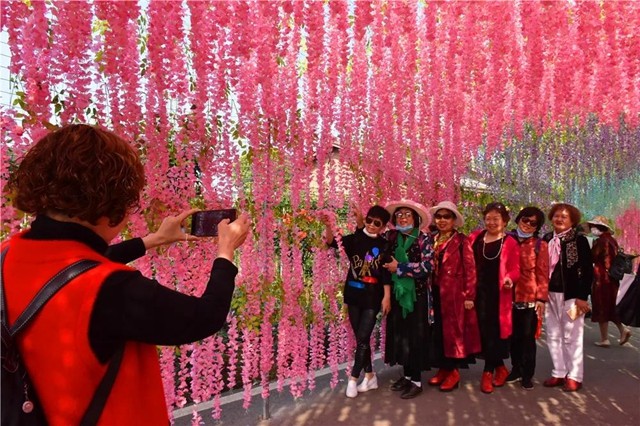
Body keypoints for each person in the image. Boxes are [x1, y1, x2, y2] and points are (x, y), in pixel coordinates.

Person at [1, 124, 250, 425]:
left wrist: (154, 240)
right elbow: (204, 316)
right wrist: (226, 252)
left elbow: (69, 269)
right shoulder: (113, 290)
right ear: (113, 206)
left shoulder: (8, 253)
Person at [322, 205, 392, 398]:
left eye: (376, 223)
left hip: (373, 297)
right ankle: (370, 376)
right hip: (353, 295)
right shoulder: (355, 239)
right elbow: (331, 242)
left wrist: (386, 297)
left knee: (362, 338)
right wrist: (329, 226)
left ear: (383, 227)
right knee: (362, 339)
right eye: (369, 220)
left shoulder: (385, 245)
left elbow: (386, 273)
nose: (371, 225)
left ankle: (353, 379)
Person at [381, 200, 435, 399]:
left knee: (415, 338)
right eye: (399, 214)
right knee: (400, 336)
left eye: (407, 214)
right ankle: (407, 375)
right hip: (396, 295)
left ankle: (417, 380)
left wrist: (401, 268)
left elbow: (428, 267)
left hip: (417, 297)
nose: (402, 217)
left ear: (416, 218)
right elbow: (376, 253)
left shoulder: (423, 239)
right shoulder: (390, 236)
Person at [427, 201, 480, 392]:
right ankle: (443, 368)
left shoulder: (462, 241)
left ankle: (454, 372)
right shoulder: (431, 238)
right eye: (438, 216)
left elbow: (470, 269)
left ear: (454, 220)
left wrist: (469, 296)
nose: (441, 220)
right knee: (438, 333)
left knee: (453, 333)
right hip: (433, 293)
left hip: (454, 294)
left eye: (446, 217)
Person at [469, 202, 520, 394]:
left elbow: (516, 268)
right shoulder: (476, 237)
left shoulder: (510, 242)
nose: (491, 222)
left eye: (496, 219)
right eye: (488, 218)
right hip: (477, 293)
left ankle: (487, 373)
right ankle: (500, 367)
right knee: (482, 333)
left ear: (505, 221)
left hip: (499, 296)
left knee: (494, 334)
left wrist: (510, 279)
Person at [542, 203, 593, 392]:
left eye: (564, 216)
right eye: (556, 215)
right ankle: (559, 372)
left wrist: (582, 296)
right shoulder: (547, 238)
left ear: (572, 220)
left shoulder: (579, 240)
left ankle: (575, 376)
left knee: (572, 336)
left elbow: (587, 271)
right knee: (553, 335)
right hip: (549, 294)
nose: (559, 219)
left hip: (571, 296)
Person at [505, 207, 549, 390]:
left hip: (528, 296)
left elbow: (543, 273)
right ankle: (516, 369)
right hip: (506, 297)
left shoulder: (540, 245)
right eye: (525, 220)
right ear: (518, 219)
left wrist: (541, 299)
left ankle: (527, 374)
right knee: (513, 337)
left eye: (533, 223)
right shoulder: (506, 239)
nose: (528, 225)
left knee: (527, 338)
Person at [587, 216, 631, 347]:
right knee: (611, 306)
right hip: (613, 278)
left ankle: (604, 339)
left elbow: (593, 257)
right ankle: (623, 330)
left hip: (601, 277)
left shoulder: (600, 241)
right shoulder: (612, 240)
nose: (591, 229)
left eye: (592, 227)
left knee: (601, 306)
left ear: (598, 227)